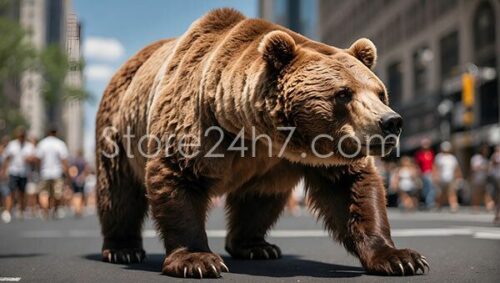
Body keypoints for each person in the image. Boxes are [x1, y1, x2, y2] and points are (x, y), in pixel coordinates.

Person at [1, 127, 36, 222]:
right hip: (13, 172)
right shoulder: (12, 145)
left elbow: (34, 159)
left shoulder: (29, 146)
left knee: (22, 193)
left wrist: (30, 159)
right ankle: (8, 210)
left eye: (23, 135)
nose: (21, 137)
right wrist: (3, 171)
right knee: (11, 191)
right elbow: (6, 159)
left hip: (24, 173)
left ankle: (21, 210)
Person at [36, 128, 69, 219]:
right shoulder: (60, 144)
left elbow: (38, 159)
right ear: (56, 133)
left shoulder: (42, 143)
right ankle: (54, 210)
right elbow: (64, 160)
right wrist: (67, 172)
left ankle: (46, 210)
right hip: (57, 173)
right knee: (57, 194)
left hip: (44, 172)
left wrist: (38, 169)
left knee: (44, 193)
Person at [433, 142, 462, 212]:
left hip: (450, 178)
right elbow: (435, 167)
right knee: (440, 193)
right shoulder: (439, 157)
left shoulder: (452, 158)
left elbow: (456, 168)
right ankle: (438, 205)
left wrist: (459, 176)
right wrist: (435, 176)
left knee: (452, 192)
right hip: (441, 178)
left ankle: (453, 205)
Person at [470, 144, 494, 212]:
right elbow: (474, 168)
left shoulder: (486, 159)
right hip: (476, 179)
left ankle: (488, 206)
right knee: (476, 194)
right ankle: (475, 207)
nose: (486, 151)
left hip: (485, 179)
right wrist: (483, 168)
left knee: (486, 193)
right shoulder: (476, 158)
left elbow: (489, 169)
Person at [414, 138, 435, 209]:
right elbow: (417, 165)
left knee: (431, 187)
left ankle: (429, 202)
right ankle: (426, 201)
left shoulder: (431, 153)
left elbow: (433, 164)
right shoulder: (419, 154)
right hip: (423, 173)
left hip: (430, 172)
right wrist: (418, 173)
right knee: (426, 188)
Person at [68, 149, 89, 217]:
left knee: (75, 194)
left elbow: (71, 169)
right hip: (81, 179)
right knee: (80, 194)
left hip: (75, 180)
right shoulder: (83, 160)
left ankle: (77, 209)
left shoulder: (74, 160)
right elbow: (87, 169)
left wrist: (73, 177)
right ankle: (79, 209)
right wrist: (82, 176)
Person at [490, 146, 500, 225]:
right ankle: (497, 215)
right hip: (497, 179)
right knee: (497, 198)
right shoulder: (495, 156)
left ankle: (497, 216)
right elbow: (492, 165)